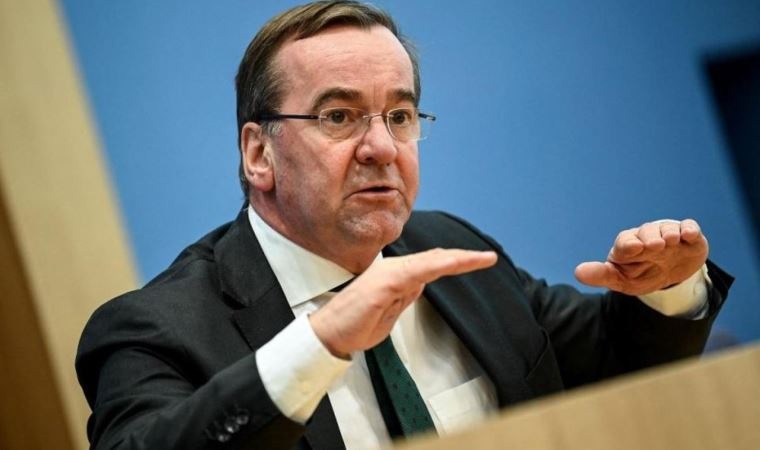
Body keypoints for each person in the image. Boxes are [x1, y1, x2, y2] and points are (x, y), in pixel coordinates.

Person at [75, 1, 733, 449]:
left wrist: (666, 288)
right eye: (338, 116)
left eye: (400, 116)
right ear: (259, 154)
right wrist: (320, 342)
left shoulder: (454, 251)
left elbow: (612, 362)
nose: (382, 148)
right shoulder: (155, 330)